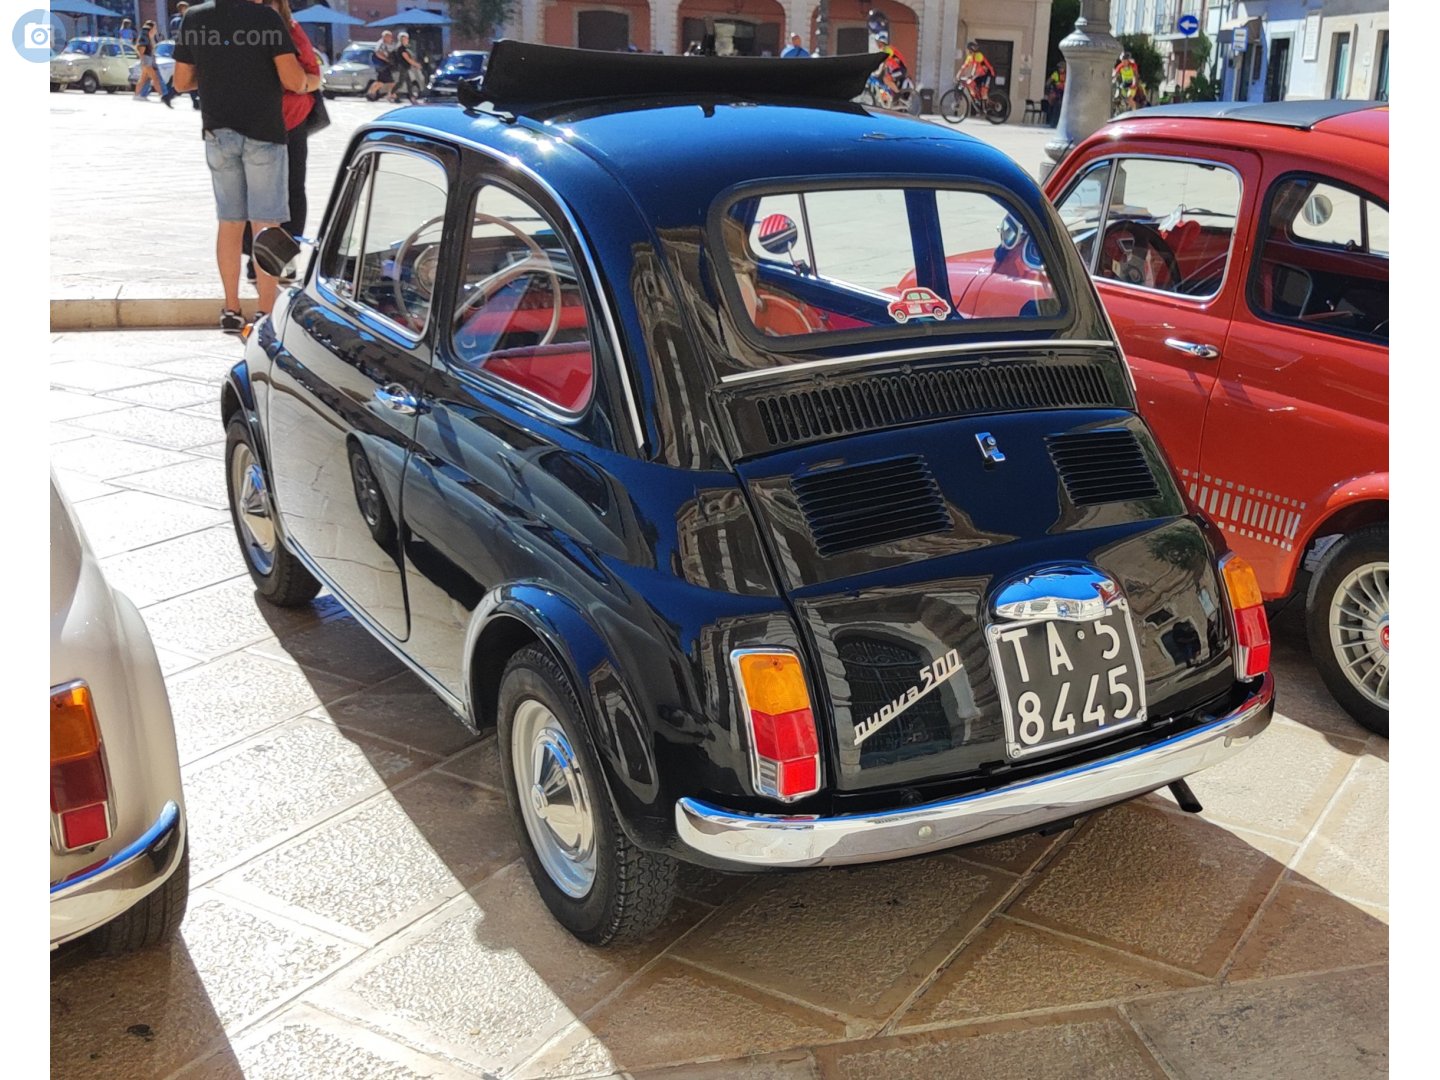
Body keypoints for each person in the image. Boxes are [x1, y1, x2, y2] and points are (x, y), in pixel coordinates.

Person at [170, 0, 308, 332]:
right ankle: (263, 311)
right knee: (266, 224)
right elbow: (292, 79)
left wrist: (217, 74)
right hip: (263, 132)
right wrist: (305, 83)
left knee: (229, 222)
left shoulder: (194, 18)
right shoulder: (266, 18)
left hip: (218, 131)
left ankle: (231, 309)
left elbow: (180, 81)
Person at [243, 0, 323, 284]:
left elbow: (314, 74)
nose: (264, 6)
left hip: (290, 121)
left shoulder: (292, 30)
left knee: (291, 190)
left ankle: (285, 257)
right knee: (256, 192)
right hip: (253, 121)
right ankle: (257, 259)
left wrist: (300, 83)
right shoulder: (240, 31)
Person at [133, 21, 171, 105]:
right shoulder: (145, 36)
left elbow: (152, 48)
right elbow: (141, 48)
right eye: (155, 27)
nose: (156, 29)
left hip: (148, 59)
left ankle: (137, 95)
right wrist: (143, 59)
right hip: (146, 59)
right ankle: (163, 96)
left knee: (144, 79)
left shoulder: (148, 36)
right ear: (151, 28)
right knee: (155, 78)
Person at [390, 31, 423, 102]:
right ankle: (392, 93)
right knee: (401, 82)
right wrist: (416, 64)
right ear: (401, 40)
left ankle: (411, 97)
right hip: (403, 67)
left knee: (409, 83)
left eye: (407, 39)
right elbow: (408, 59)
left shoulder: (405, 48)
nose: (407, 40)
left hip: (406, 67)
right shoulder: (401, 49)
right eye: (405, 39)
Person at [366, 31, 396, 101]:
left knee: (382, 81)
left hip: (383, 66)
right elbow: (378, 53)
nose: (391, 38)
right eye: (389, 36)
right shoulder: (381, 43)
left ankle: (371, 93)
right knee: (387, 82)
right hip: (382, 66)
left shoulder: (384, 43)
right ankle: (391, 96)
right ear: (385, 37)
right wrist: (387, 59)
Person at [1044, 60, 1065, 125]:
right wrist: (1048, 90)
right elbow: (1049, 81)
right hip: (1057, 93)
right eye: (1059, 68)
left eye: (1061, 68)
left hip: (1064, 93)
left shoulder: (1067, 74)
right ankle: (1052, 121)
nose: (1060, 69)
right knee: (1054, 106)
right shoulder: (1055, 74)